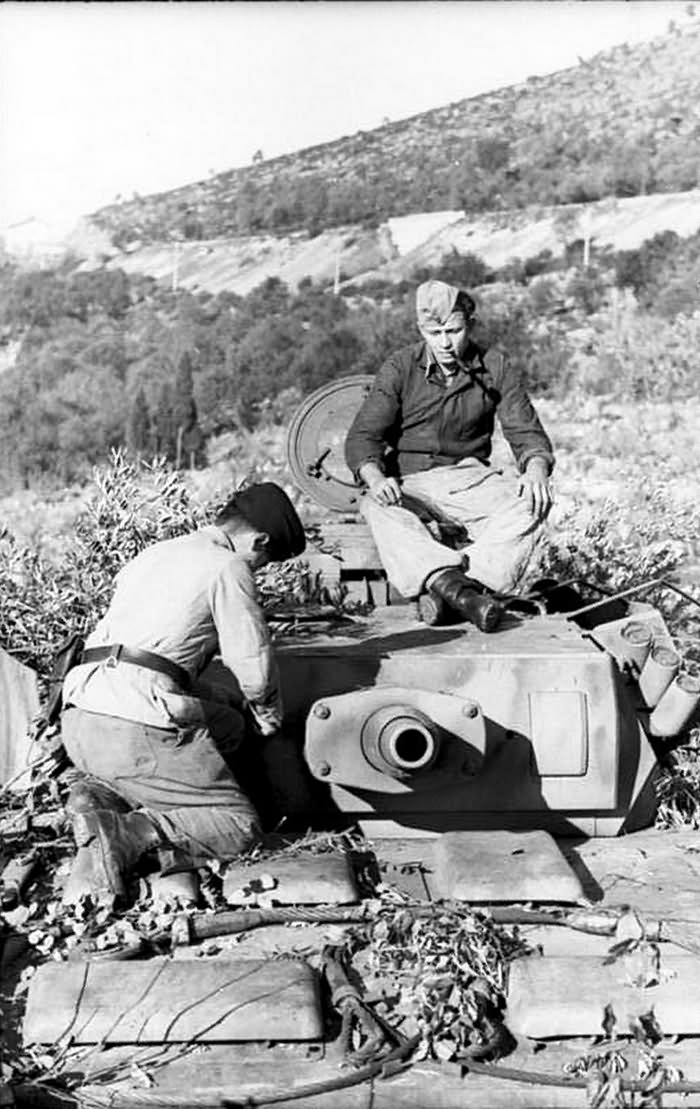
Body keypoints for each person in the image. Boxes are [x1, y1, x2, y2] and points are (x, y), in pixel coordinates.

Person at [61, 482, 306, 901]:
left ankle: (100, 795)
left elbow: (152, 655)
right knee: (238, 825)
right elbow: (254, 663)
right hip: (132, 727)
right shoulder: (228, 566)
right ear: (260, 540)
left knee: (227, 724)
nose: (259, 568)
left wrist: (227, 704)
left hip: (81, 717)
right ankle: (128, 831)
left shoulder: (157, 553)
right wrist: (267, 715)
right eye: (264, 560)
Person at [345, 280, 554, 632]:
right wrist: (377, 479)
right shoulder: (400, 368)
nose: (444, 342)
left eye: (454, 331)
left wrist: (535, 471)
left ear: (469, 326)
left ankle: (464, 589)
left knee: (533, 503)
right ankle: (455, 587)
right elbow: (362, 438)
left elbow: (527, 434)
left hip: (470, 480)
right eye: (434, 332)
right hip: (410, 484)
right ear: (420, 330)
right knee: (376, 508)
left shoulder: (495, 366)